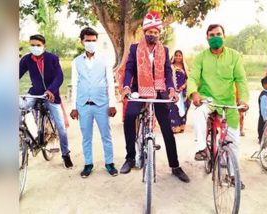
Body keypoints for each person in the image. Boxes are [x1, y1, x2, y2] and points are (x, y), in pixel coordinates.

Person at [120, 11, 190, 183]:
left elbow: (167, 71)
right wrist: (127, 86)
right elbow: (129, 69)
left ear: (159, 34)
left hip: (159, 91)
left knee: (167, 128)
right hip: (139, 90)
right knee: (129, 117)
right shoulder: (135, 48)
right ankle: (130, 158)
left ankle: (175, 166)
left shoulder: (164, 50)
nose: (152, 35)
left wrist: (172, 89)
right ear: (145, 32)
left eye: (156, 32)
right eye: (150, 32)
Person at [187, 24, 249, 189]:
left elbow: (241, 80)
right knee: (199, 113)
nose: (215, 37)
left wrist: (243, 100)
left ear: (224, 36)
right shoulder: (201, 57)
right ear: (207, 38)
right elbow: (192, 77)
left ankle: (233, 175)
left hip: (228, 103)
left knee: (233, 141)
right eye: (212, 34)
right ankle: (202, 149)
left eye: (218, 34)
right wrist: (194, 93)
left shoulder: (234, 56)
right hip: (208, 100)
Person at [70, 27, 118, 178]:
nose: (90, 43)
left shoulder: (105, 59)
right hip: (83, 105)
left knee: (106, 135)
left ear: (96, 41)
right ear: (82, 41)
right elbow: (75, 84)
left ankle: (109, 163)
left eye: (93, 40)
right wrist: (73, 107)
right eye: (87, 40)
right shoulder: (76, 61)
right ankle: (88, 163)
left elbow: (110, 82)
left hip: (101, 104)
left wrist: (112, 104)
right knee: (86, 136)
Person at [19, 34, 73, 168]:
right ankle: (23, 137)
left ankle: (65, 154)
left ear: (44, 46)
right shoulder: (26, 59)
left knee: (61, 128)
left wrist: (51, 90)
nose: (35, 47)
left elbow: (59, 77)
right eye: (32, 45)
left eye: (38, 45)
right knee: (21, 110)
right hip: (35, 93)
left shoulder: (52, 58)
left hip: (51, 95)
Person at [170, 50, 190, 133]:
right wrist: (174, 89)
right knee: (173, 108)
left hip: (183, 92)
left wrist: (183, 86)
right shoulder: (170, 66)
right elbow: (168, 78)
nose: (178, 57)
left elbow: (188, 79)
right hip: (173, 91)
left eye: (180, 55)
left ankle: (182, 125)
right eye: (176, 55)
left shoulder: (185, 67)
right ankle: (175, 126)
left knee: (184, 107)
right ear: (174, 56)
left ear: (182, 57)